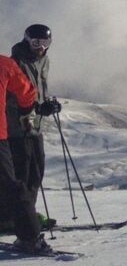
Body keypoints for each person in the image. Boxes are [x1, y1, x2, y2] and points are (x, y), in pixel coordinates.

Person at [0, 53, 55, 254]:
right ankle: (30, 238)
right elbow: (27, 92)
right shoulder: (5, 64)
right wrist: (26, 113)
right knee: (10, 185)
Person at [6, 25, 56, 230]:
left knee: (36, 172)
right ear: (27, 40)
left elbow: (39, 90)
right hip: (17, 127)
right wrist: (37, 108)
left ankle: (27, 215)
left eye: (46, 43)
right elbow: (12, 98)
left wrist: (48, 104)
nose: (41, 48)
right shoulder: (16, 62)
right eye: (37, 43)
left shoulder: (44, 60)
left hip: (36, 126)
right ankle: (12, 219)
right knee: (22, 174)